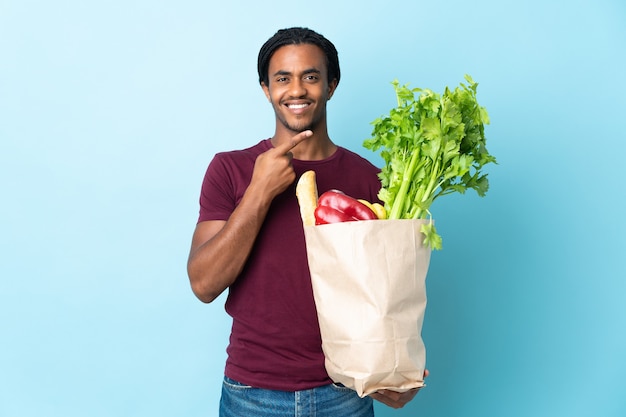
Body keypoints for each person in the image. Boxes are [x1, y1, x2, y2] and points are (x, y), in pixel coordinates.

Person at [187, 27, 426, 416]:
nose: (296, 90)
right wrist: (260, 190)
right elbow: (203, 284)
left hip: (346, 392)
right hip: (252, 394)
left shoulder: (373, 180)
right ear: (266, 88)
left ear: (331, 85)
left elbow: (392, 291)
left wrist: (397, 371)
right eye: (283, 78)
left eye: (310, 77)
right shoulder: (231, 169)